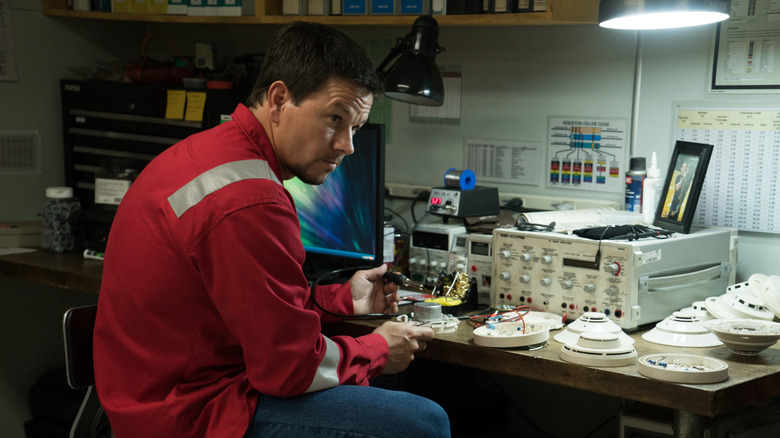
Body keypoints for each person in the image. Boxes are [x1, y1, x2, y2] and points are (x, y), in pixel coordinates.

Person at [93, 21, 450, 438]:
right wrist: (377, 348)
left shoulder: (207, 152)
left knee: (388, 381)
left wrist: (340, 301)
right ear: (279, 99)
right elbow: (289, 369)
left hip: (155, 394)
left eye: (355, 127)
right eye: (335, 118)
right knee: (424, 423)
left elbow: (252, 308)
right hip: (189, 414)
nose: (346, 145)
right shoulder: (251, 198)